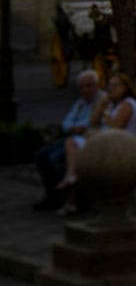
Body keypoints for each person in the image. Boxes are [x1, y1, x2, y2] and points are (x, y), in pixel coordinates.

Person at [58, 72, 136, 216]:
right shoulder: (113, 104)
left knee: (76, 149)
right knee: (72, 145)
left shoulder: (128, 104)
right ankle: (71, 185)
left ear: (125, 87)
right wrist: (103, 104)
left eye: (116, 86)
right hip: (107, 142)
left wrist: (101, 125)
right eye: (110, 86)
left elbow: (116, 127)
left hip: (121, 146)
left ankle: (72, 194)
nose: (112, 89)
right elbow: (93, 122)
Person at [31, 69, 106, 211]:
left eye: (89, 86)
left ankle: (72, 196)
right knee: (40, 155)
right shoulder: (80, 103)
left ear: (96, 86)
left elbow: (91, 123)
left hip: (86, 139)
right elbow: (66, 123)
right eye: (82, 87)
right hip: (73, 136)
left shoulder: (101, 100)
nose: (85, 90)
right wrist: (73, 127)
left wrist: (77, 127)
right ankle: (52, 195)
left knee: (57, 157)